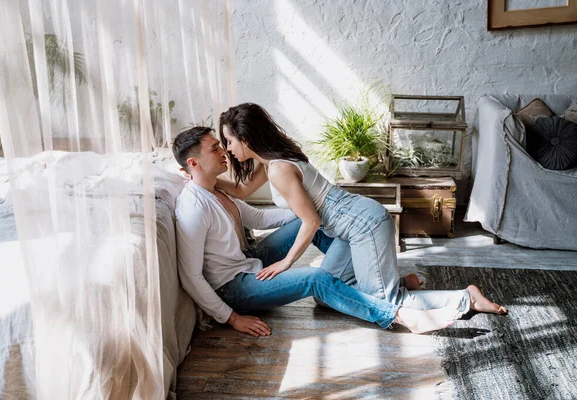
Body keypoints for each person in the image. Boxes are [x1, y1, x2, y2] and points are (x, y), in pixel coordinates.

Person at [217, 102, 507, 316]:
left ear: (246, 138)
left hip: (365, 224)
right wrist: (203, 179)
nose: (228, 149)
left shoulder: (279, 168)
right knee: (326, 295)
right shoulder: (270, 161)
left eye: (229, 141)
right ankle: (398, 281)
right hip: (348, 231)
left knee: (388, 304)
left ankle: (466, 298)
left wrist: (286, 263)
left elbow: (310, 221)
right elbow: (240, 190)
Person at [173, 126, 461, 336]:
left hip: (248, 260)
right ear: (193, 163)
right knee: (316, 277)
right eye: (215, 148)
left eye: (223, 145)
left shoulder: (217, 190)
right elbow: (191, 276)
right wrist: (232, 318)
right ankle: (398, 316)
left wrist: (306, 216)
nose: (224, 152)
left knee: (312, 219)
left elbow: (259, 218)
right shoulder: (193, 206)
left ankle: (366, 273)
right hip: (233, 288)